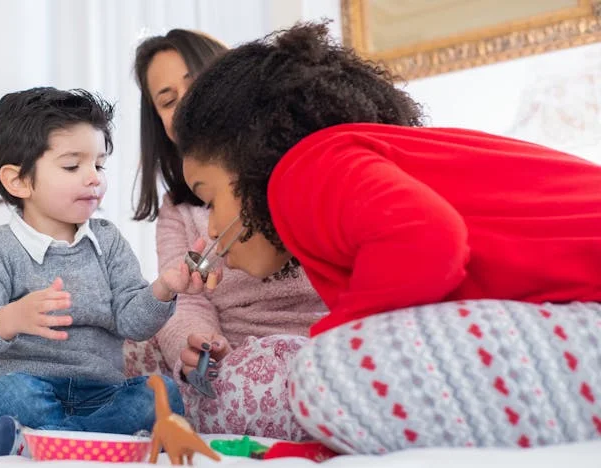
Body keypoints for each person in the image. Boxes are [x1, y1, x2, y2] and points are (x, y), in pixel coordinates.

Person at [173, 22, 601, 453]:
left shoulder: (301, 172)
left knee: (320, 368)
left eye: (209, 199)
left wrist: (330, 343)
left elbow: (429, 243)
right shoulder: (355, 167)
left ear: (249, 161)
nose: (210, 228)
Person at [0, 87, 213, 456]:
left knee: (161, 392)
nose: (94, 178)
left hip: (103, 393)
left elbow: (132, 323)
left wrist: (163, 289)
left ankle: (58, 440)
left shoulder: (108, 242)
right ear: (18, 181)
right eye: (73, 166)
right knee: (9, 395)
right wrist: (12, 317)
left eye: (99, 165)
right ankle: (92, 442)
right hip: (31, 387)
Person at [131, 29, 327, 440]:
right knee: (86, 350)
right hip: (228, 359)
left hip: (316, 352)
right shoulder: (177, 211)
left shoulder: (303, 168)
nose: (186, 102)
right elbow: (182, 301)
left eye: (197, 82)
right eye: (167, 100)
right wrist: (193, 343)